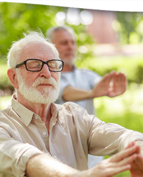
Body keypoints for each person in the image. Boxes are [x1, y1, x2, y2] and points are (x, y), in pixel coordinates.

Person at [0, 32, 143, 177]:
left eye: (52, 64)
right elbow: (26, 158)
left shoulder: (75, 116)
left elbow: (125, 136)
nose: (46, 73)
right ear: (13, 77)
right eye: (34, 65)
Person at [47, 25, 128, 168]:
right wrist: (92, 93)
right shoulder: (47, 78)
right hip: (61, 158)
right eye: (64, 43)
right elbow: (65, 92)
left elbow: (100, 84)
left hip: (92, 157)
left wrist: (111, 88)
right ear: (50, 47)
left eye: (73, 42)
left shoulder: (86, 75)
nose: (70, 47)